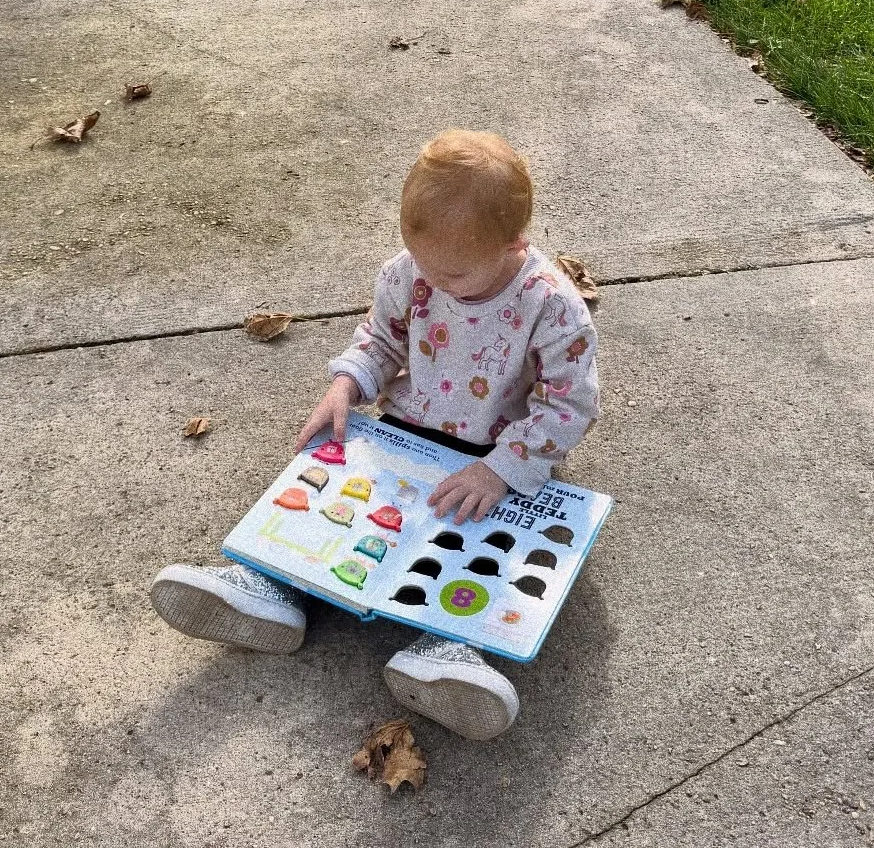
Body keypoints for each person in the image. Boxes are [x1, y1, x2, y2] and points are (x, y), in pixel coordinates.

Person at [150, 129, 601, 741]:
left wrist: (501, 468)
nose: (436, 284)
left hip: (499, 453)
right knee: (339, 504)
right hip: (406, 432)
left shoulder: (552, 308)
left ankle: (451, 651)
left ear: (514, 243)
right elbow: (381, 340)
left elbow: (568, 404)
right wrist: (348, 384)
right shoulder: (410, 274)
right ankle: (268, 587)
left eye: (456, 274)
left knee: (483, 549)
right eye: (423, 263)